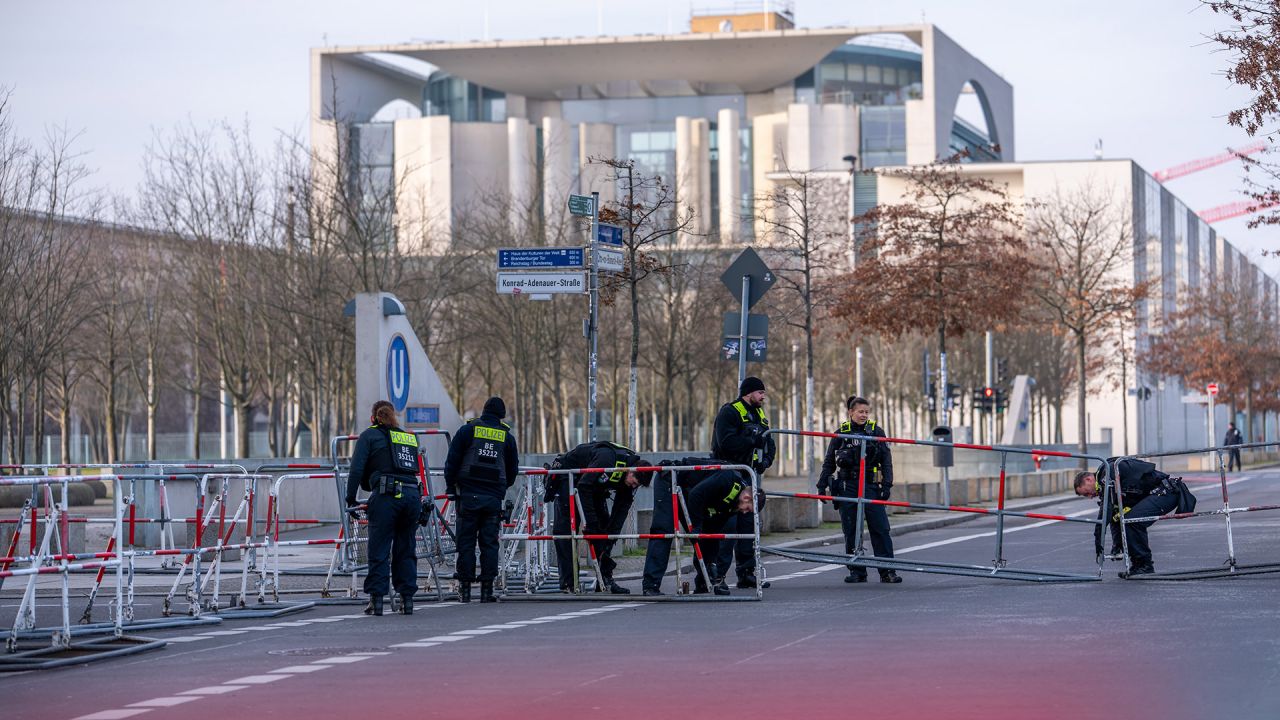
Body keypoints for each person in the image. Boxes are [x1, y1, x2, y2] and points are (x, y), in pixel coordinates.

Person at [345, 400, 424, 616]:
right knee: (406, 548)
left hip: (386, 496)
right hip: (411, 496)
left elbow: (356, 469)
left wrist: (351, 498)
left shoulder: (369, 435)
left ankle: (377, 600)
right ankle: (407, 600)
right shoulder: (408, 437)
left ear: (373, 417)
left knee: (379, 550)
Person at [543, 441, 653, 594]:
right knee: (566, 533)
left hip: (593, 487)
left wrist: (612, 535)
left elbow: (622, 507)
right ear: (630, 471)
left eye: (637, 486)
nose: (633, 487)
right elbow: (583, 486)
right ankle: (569, 583)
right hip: (569, 478)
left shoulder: (630, 476)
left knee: (604, 532)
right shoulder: (607, 460)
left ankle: (605, 581)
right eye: (633, 483)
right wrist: (590, 524)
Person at [817, 396, 902, 584]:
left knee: (880, 528)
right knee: (851, 529)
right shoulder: (841, 434)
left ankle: (887, 571)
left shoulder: (876, 432)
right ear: (850, 412)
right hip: (848, 486)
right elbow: (829, 462)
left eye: (866, 412)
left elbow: (886, 462)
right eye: (860, 411)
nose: (864, 415)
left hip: (871, 486)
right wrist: (822, 485)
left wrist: (887, 485)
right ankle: (857, 571)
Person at [641, 457, 755, 596]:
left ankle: (704, 581)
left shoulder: (734, 505)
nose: (745, 512)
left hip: (688, 490)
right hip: (670, 479)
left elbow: (713, 532)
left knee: (708, 536)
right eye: (748, 508)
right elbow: (697, 495)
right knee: (664, 530)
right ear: (747, 498)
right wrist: (696, 527)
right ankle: (650, 585)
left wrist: (713, 568)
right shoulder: (727, 479)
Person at [444, 397, 519, 602]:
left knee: (466, 543)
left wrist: (451, 487)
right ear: (502, 415)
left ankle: (465, 590)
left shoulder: (467, 431)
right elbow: (513, 470)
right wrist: (501, 487)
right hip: (493, 498)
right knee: (489, 544)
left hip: (468, 495)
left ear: (484, 411)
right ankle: (487, 591)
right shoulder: (507, 437)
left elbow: (452, 461)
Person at [1074, 457, 1196, 578]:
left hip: (1166, 492)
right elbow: (1114, 515)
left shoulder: (1108, 472)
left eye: (1086, 493)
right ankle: (1137, 565)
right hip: (1157, 494)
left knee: (1132, 521)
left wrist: (1098, 538)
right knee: (1127, 519)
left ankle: (1145, 565)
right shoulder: (1105, 481)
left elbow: (1107, 508)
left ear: (1089, 479)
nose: (1090, 497)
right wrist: (1117, 544)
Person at [710, 376, 776, 589]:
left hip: (748, 475)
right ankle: (716, 575)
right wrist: (751, 441)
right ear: (749, 393)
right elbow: (726, 443)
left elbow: (768, 439)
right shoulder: (730, 412)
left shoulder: (758, 413)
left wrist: (766, 460)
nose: (763, 397)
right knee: (729, 526)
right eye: (760, 393)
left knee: (748, 524)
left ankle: (746, 573)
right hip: (728, 474)